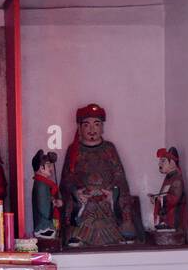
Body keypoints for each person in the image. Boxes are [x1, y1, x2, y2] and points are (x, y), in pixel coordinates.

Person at [59, 103, 138, 247]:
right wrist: (77, 194)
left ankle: (117, 234)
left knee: (118, 229)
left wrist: (113, 195)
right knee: (77, 224)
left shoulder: (109, 149)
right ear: (79, 128)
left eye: (96, 124)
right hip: (83, 208)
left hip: (107, 204)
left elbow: (120, 179)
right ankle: (77, 235)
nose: (92, 129)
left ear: (102, 127)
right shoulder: (74, 150)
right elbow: (66, 181)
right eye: (86, 125)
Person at [31, 148, 63, 238]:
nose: (51, 169)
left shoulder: (45, 184)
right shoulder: (41, 185)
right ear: (41, 168)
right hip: (43, 226)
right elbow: (43, 207)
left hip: (47, 224)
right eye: (49, 166)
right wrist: (54, 203)